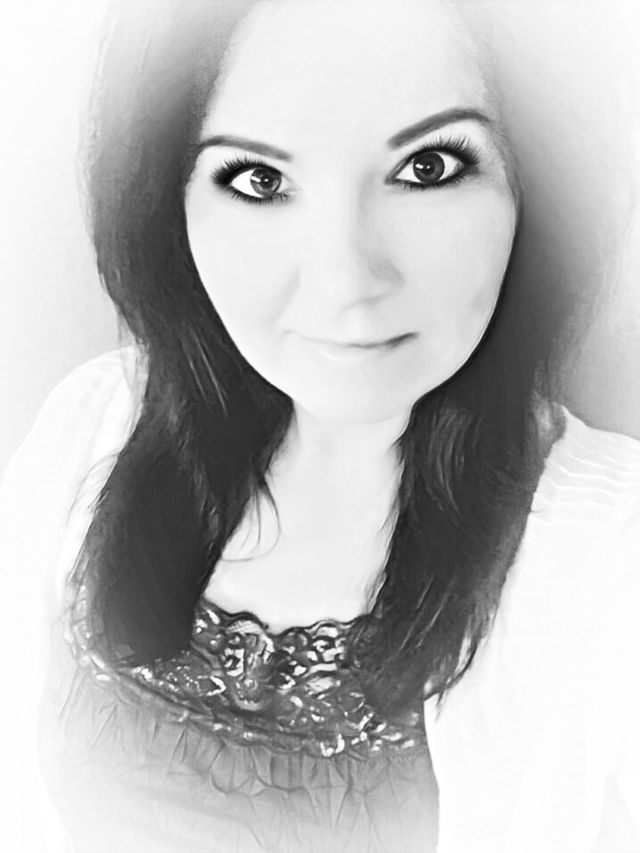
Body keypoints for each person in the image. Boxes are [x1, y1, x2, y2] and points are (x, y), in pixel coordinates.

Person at [1, 0, 639, 851]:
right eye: (260, 180)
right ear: (171, 198)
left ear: (536, 186)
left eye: (427, 167)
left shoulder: (610, 555)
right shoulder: (93, 423)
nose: (344, 279)